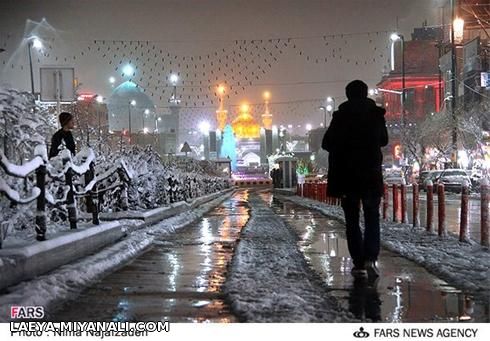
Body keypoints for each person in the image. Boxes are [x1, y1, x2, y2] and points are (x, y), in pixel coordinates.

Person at [322, 80, 388, 278]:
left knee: (351, 220)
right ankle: (370, 258)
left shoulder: (340, 117)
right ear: (366, 94)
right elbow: (384, 140)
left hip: (347, 177)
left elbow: (327, 143)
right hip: (370, 175)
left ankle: (358, 264)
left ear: (348, 95)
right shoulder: (376, 115)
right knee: (371, 218)